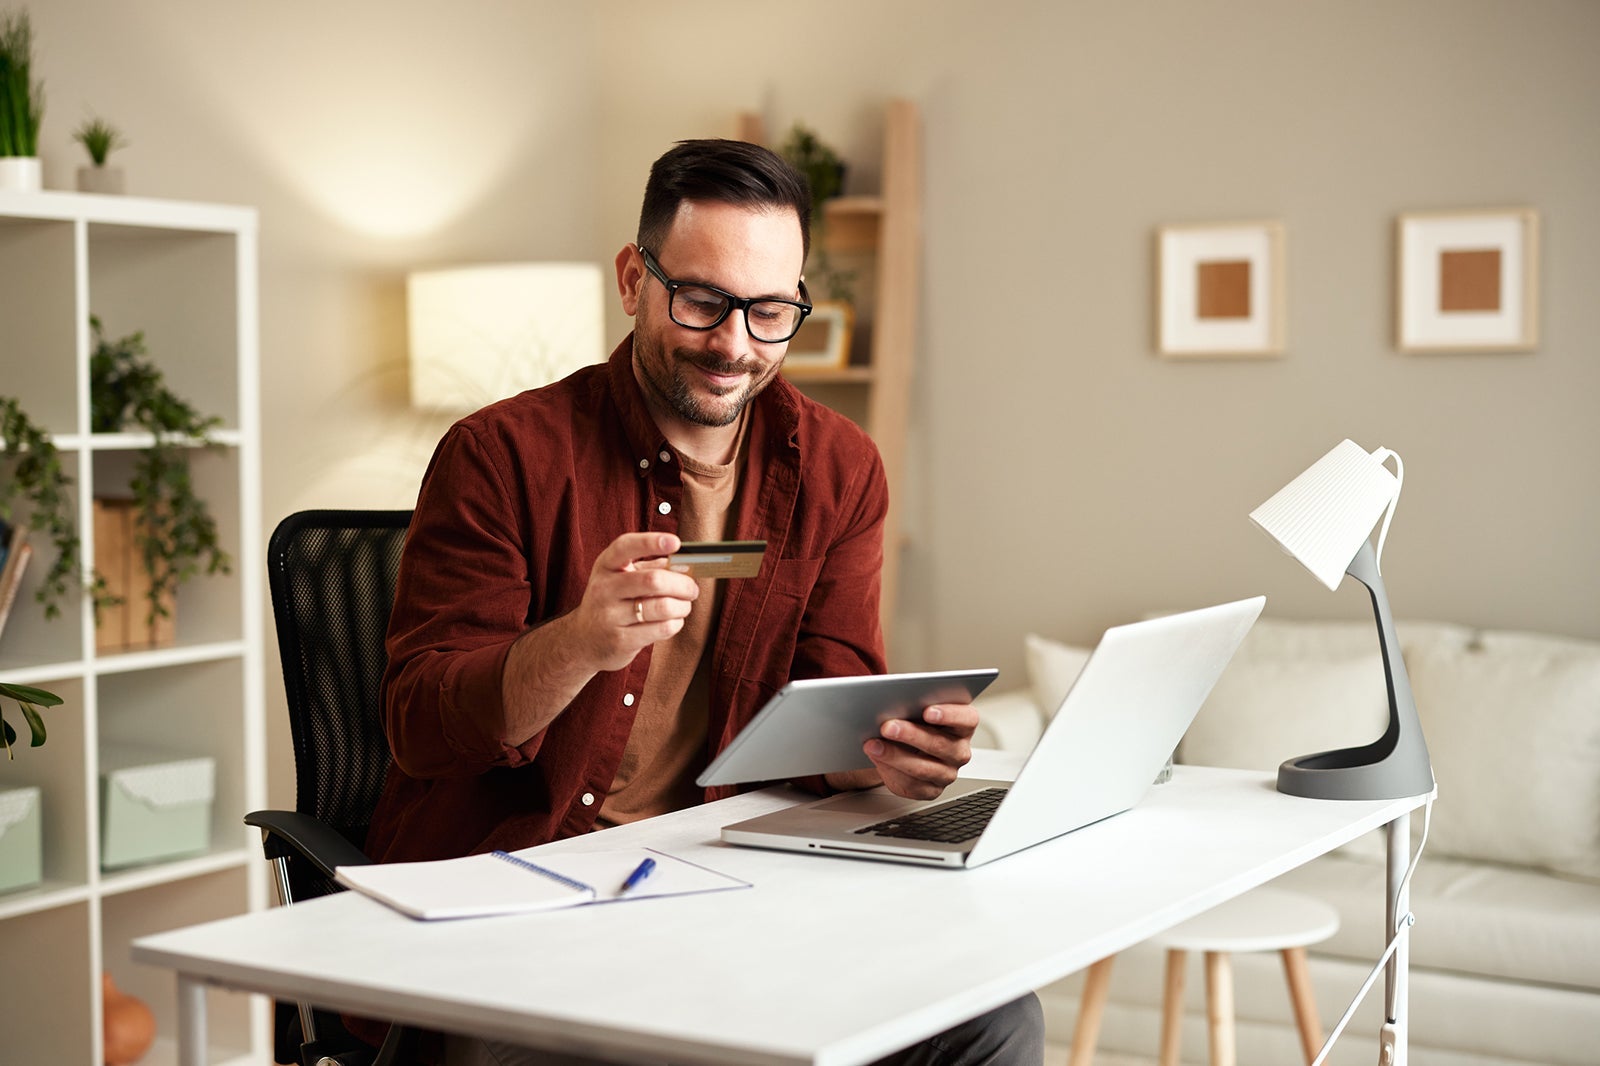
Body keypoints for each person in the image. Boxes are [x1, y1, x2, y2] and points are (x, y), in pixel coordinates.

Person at [365, 138, 1044, 1065]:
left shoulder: (841, 468)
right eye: (703, 302)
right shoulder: (499, 455)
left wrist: (886, 757)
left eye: (770, 312)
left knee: (994, 1020)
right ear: (632, 281)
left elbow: (828, 702)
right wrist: (578, 644)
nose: (735, 346)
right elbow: (419, 725)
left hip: (733, 875)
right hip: (528, 888)